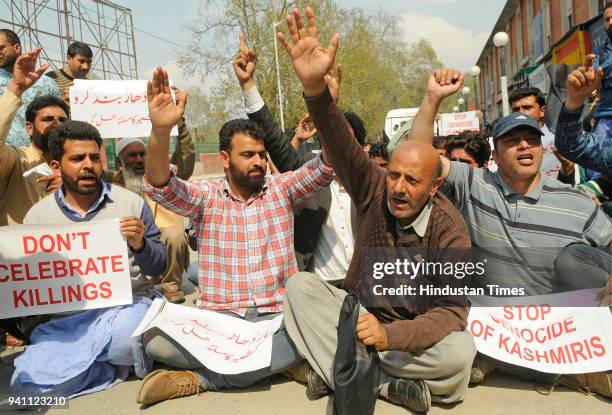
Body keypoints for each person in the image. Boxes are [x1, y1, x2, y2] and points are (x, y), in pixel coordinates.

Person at [277, 9, 476, 413]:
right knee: (299, 289)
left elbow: (452, 311)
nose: (398, 187)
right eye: (394, 175)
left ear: (434, 186)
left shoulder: (449, 228)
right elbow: (341, 142)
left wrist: (392, 337)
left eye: (412, 181)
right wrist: (315, 89)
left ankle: (348, 370)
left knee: (459, 355)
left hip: (403, 333)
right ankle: (386, 384)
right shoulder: (373, 189)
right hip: (357, 316)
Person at [409, 64, 612, 397]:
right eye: (512, 141)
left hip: (563, 330)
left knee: (578, 260)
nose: (523, 146)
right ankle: (552, 370)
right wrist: (432, 98)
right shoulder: (473, 184)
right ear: (494, 154)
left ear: (541, 148)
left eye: (531, 140)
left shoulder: (575, 200)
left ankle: (573, 367)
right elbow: (417, 158)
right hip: (499, 328)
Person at [136, 66, 334, 405]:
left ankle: (203, 378)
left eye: (261, 155)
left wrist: (327, 109)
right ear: (225, 159)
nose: (258, 162)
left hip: (278, 318)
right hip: (221, 322)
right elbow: (159, 184)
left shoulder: (282, 189)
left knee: (323, 328)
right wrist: (160, 129)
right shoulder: (206, 197)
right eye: (248, 155)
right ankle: (284, 365)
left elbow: (327, 166)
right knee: (153, 339)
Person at [10, 119, 167, 399]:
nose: (88, 165)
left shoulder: (130, 203)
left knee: (124, 339)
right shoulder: (37, 217)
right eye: (77, 158)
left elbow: (159, 266)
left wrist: (140, 244)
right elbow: (27, 285)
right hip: (68, 321)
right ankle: (106, 370)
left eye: (94, 157)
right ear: (56, 166)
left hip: (127, 307)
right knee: (25, 388)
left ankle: (93, 364)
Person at [233, 33, 363, 279]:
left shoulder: (370, 185)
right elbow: (273, 137)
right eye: (333, 135)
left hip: (365, 287)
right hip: (318, 287)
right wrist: (247, 84)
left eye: (345, 139)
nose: (338, 143)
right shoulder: (309, 180)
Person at [112, 109, 195, 303]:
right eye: (132, 155)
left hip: (159, 240)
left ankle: (171, 285)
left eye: (142, 154)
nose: (139, 159)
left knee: (175, 234)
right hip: (126, 241)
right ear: (119, 163)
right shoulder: (109, 184)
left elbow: (186, 157)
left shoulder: (164, 177)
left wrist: (179, 124)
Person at [0, 48, 68, 227]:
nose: (56, 124)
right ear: (29, 128)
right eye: (47, 119)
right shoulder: (15, 160)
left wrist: (74, 187)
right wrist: (16, 88)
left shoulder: (75, 166)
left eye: (62, 119)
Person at [0, 29, 60, 146]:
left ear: (17, 48)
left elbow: (59, 121)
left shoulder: (47, 83)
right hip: (4, 157)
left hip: (41, 155)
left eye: (1, 48)